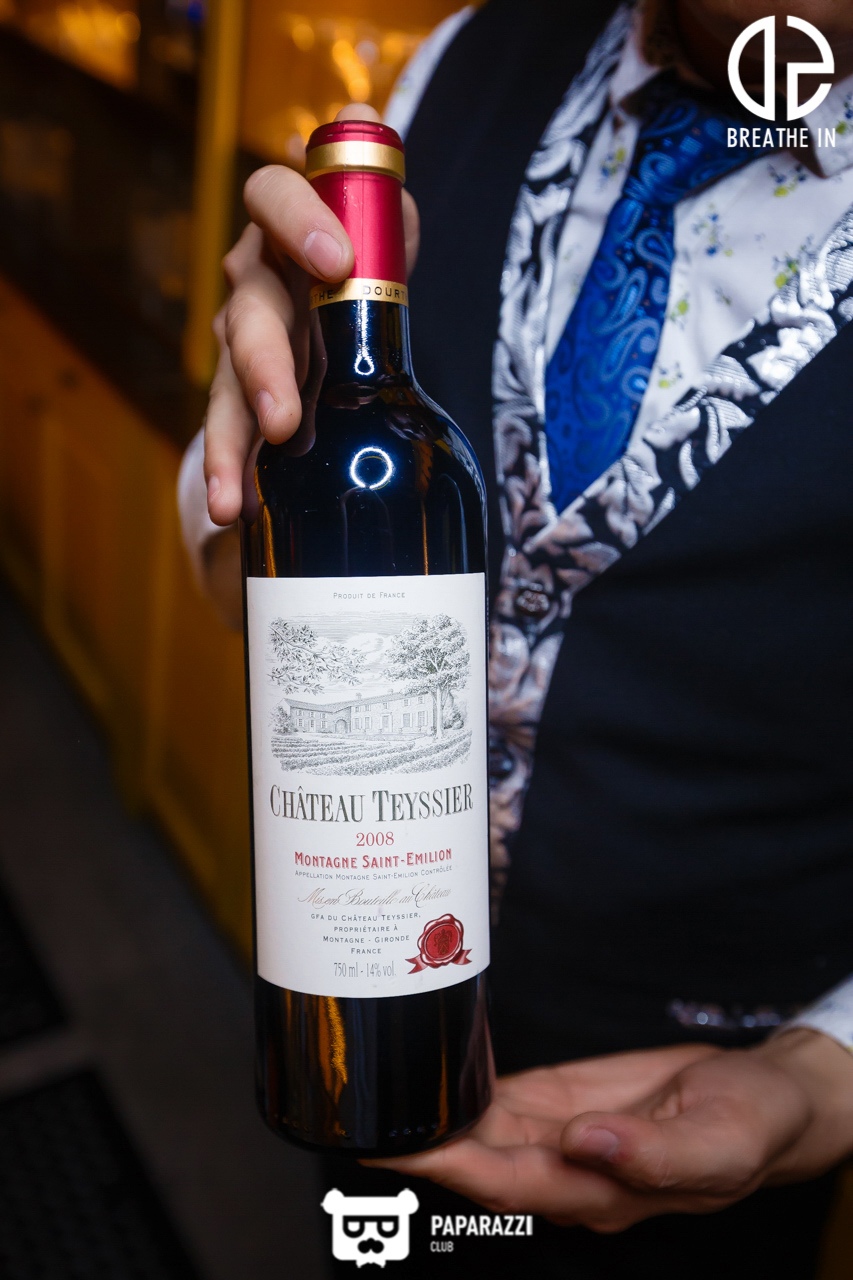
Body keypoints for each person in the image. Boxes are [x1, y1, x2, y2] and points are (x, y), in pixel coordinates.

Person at [178, 0, 853, 1273]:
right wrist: (253, 462)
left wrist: (828, 1074)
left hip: (714, 1134)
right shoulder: (463, 59)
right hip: (361, 1050)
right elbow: (248, 590)